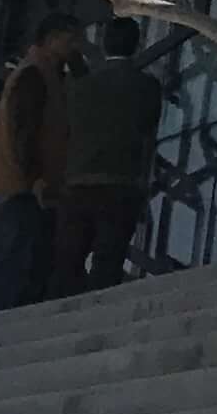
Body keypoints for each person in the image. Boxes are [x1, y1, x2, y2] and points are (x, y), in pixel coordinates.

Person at [52, 18, 167, 293]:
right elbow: (148, 128)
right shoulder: (147, 86)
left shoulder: (79, 87)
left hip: (79, 182)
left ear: (104, 45)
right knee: (108, 262)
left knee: (69, 261)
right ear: (138, 44)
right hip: (121, 183)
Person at [0, 20, 82, 309]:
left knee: (26, 264)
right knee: (17, 265)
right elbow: (24, 132)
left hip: (22, 184)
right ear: (50, 40)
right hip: (20, 187)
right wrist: (35, 179)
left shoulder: (45, 74)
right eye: (69, 41)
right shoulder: (34, 76)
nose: (74, 48)